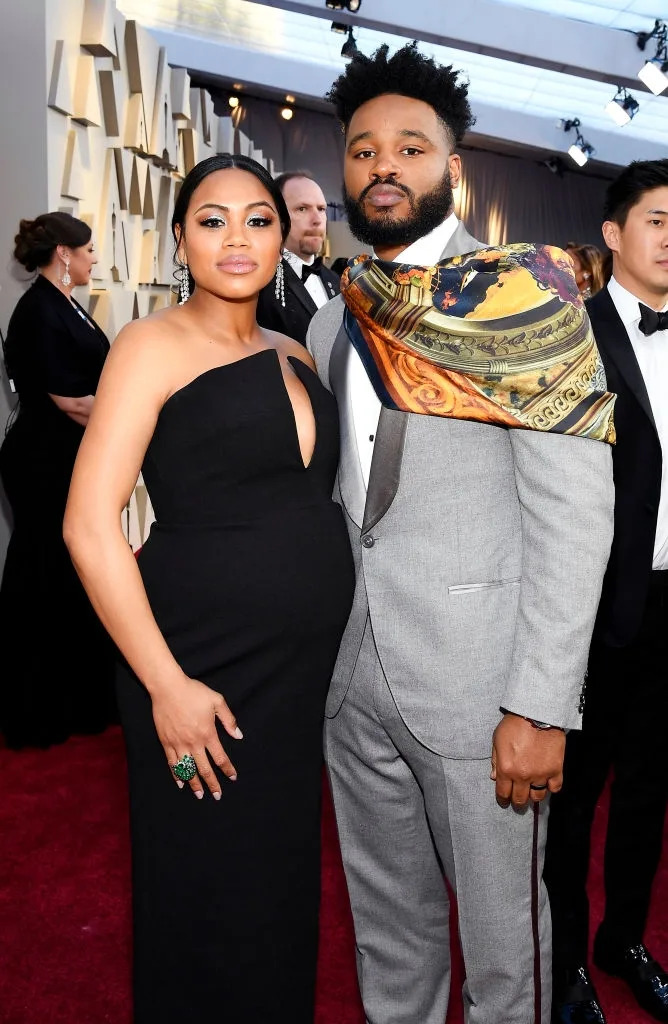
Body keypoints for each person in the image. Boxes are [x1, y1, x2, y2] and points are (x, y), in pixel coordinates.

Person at [306, 42, 616, 1024]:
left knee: (504, 959)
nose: (381, 167)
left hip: (483, 690)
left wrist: (540, 704)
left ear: (452, 167)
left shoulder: (524, 299)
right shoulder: (334, 319)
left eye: (409, 148)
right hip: (351, 679)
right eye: (362, 150)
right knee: (387, 937)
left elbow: (575, 512)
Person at [63, 153, 355, 1024]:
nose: (237, 238)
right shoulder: (148, 345)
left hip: (296, 681)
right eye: (212, 220)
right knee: (205, 893)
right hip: (197, 667)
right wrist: (166, 685)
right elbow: (88, 525)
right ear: (181, 239)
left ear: (282, 236)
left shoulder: (295, 351)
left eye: (258, 220)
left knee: (276, 885)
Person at [545, 159, 668, 1024]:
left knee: (649, 793)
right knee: (571, 801)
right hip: (588, 610)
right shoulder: (569, 337)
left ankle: (623, 939)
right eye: (658, 220)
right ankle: (562, 966)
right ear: (614, 235)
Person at [0, 212, 116, 749]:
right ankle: (35, 709)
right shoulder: (38, 311)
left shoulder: (66, 303)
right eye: (88, 249)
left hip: (67, 456)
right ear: (64, 253)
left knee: (69, 574)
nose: (95, 258)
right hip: (42, 462)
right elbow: (71, 402)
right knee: (43, 574)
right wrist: (137, 423)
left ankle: (78, 700)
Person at [256, 170, 340, 344]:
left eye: (321, 209)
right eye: (302, 209)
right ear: (276, 216)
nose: (317, 220)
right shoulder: (259, 284)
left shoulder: (337, 281)